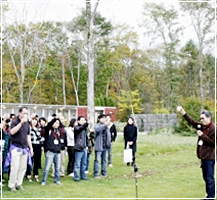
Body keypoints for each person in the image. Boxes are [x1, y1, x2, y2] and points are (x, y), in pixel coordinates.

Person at [177, 107, 215, 199]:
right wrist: (184, 113)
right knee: (206, 178)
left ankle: (211, 196)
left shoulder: (214, 129)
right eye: (200, 118)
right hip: (203, 157)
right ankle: (210, 193)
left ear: (209, 118)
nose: (201, 120)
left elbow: (213, 142)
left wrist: (202, 135)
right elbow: (192, 122)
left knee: (209, 178)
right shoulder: (202, 126)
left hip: (210, 157)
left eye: (203, 118)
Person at [5, 107, 33, 192]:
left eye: (27, 113)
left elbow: (28, 136)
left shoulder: (27, 124)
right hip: (16, 148)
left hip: (24, 148)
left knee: (22, 168)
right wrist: (21, 123)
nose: (26, 115)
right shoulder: (14, 122)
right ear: (20, 113)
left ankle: (19, 183)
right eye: (24, 113)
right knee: (15, 167)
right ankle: (11, 185)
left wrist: (31, 148)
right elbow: (12, 132)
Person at [41, 118, 62, 185]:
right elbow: (48, 125)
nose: (57, 124)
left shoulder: (58, 131)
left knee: (57, 167)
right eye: (55, 123)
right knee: (47, 167)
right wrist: (55, 118)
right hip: (50, 151)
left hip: (57, 151)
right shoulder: (48, 130)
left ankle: (57, 180)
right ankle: (44, 180)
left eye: (58, 123)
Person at [94, 114, 111, 178]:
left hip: (105, 146)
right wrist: (105, 125)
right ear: (99, 119)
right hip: (99, 146)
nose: (104, 119)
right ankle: (96, 173)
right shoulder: (97, 126)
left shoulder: (106, 127)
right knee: (97, 160)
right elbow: (98, 130)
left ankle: (104, 172)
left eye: (104, 118)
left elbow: (108, 135)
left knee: (104, 160)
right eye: (102, 118)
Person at [26, 115, 42, 182]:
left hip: (38, 146)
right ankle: (28, 174)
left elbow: (40, 138)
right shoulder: (28, 128)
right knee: (30, 161)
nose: (35, 121)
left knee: (37, 161)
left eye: (36, 120)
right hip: (31, 146)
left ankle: (36, 175)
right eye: (33, 120)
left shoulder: (38, 129)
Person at [73, 116, 89, 181]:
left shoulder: (85, 129)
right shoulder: (77, 128)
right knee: (77, 163)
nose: (83, 121)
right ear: (78, 121)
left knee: (84, 163)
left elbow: (86, 138)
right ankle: (76, 177)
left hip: (84, 147)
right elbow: (80, 128)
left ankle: (83, 176)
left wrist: (87, 145)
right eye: (82, 120)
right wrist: (87, 123)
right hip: (78, 148)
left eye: (84, 120)